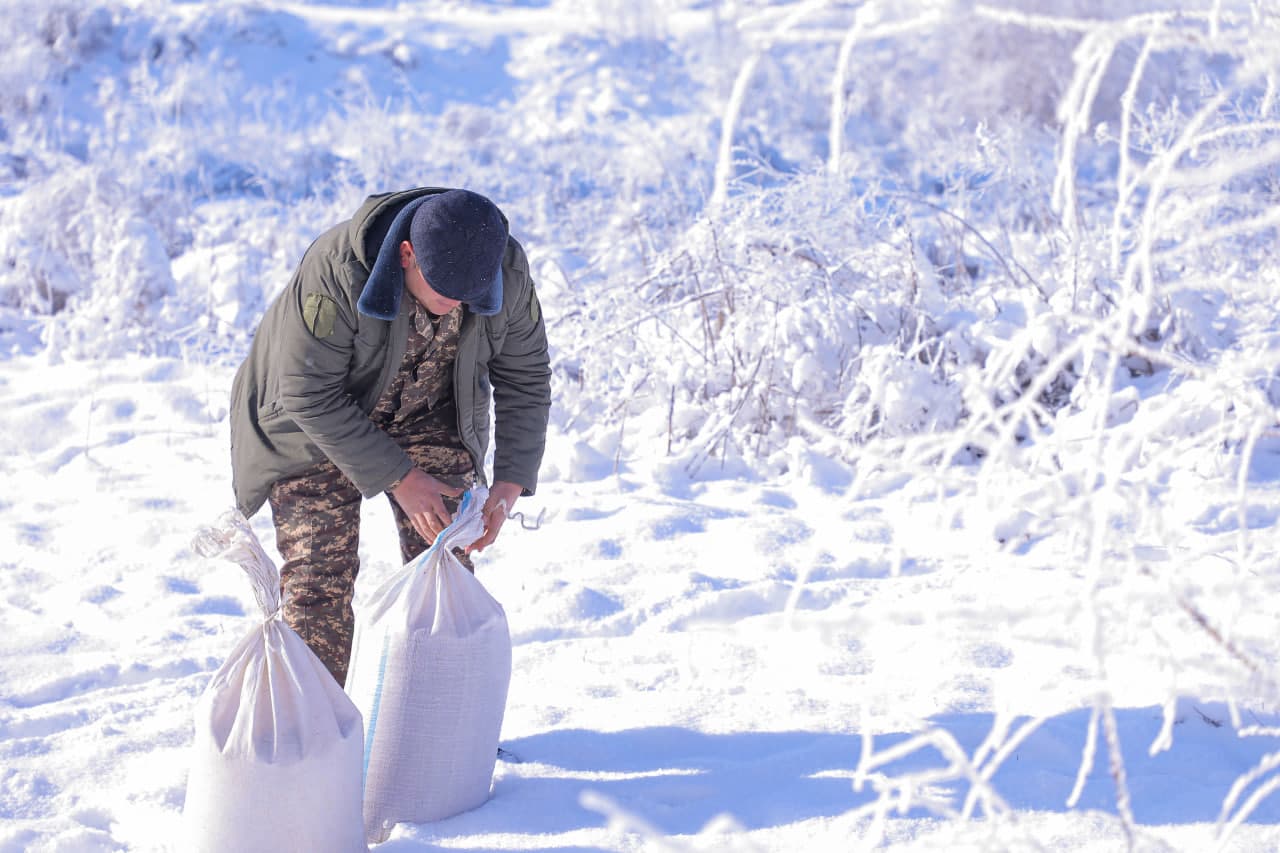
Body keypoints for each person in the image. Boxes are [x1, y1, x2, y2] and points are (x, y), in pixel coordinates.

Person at [229, 186, 551, 684]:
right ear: (406, 255)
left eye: (472, 296)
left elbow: (526, 375)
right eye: (446, 291)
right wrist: (399, 477)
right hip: (313, 424)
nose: (457, 307)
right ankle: (316, 739)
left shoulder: (503, 272)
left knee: (446, 560)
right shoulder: (337, 271)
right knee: (319, 581)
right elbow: (307, 392)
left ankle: (440, 727)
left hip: (428, 411)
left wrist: (511, 480)